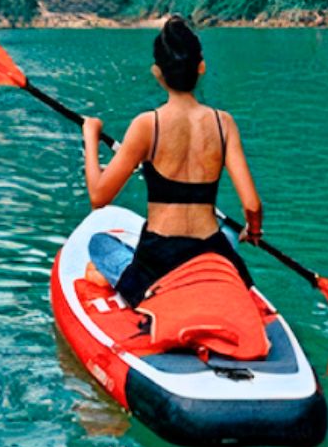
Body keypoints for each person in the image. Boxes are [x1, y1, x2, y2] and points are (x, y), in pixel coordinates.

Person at [81, 16, 265, 307]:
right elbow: (252, 206)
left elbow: (98, 197)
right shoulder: (224, 123)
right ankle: (216, 282)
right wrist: (253, 231)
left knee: (99, 244)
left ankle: (123, 281)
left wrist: (90, 136)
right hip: (209, 253)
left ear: (158, 73)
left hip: (161, 261)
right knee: (229, 235)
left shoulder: (146, 125)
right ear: (201, 67)